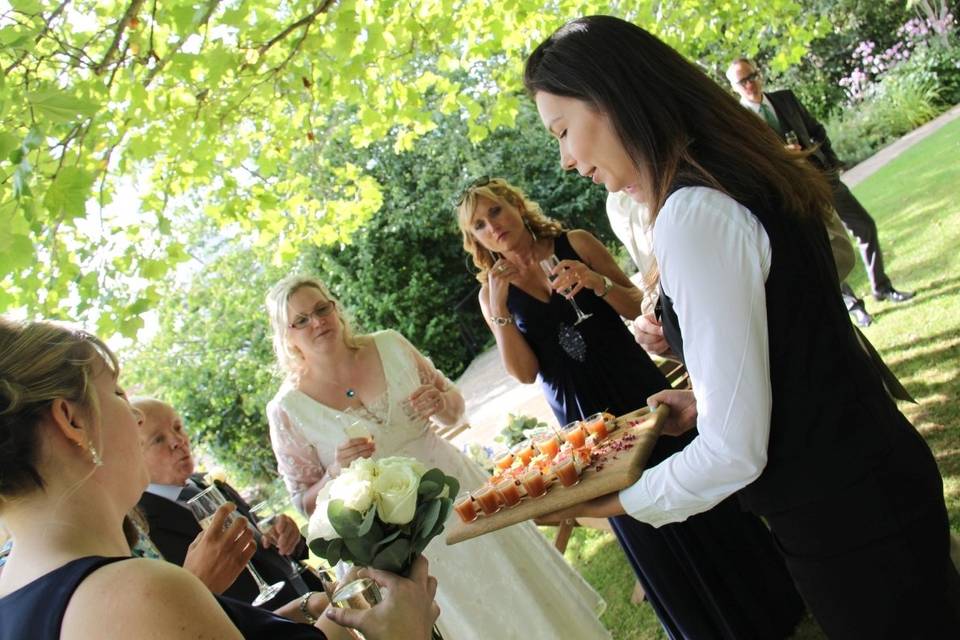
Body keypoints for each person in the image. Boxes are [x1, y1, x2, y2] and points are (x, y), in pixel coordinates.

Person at [524, 15, 960, 638]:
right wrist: (707, 398)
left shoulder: (692, 213)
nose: (566, 160)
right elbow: (790, 336)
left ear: (612, 98)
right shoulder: (737, 169)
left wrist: (617, 501)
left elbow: (734, 452)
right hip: (875, 473)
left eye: (563, 131)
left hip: (841, 516)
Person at [456, 177, 804, 639]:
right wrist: (499, 313)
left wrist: (594, 282)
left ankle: (769, 601)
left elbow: (639, 307)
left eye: (496, 212)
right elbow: (523, 372)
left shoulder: (574, 242)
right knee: (644, 521)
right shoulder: (491, 293)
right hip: (584, 421)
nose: (492, 227)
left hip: (636, 387)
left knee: (695, 483)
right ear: (475, 239)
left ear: (516, 205)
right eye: (479, 225)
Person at [0, 317, 440, 640]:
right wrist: (403, 632)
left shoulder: (14, 601)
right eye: (116, 392)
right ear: (71, 420)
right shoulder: (135, 594)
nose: (132, 413)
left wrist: (293, 617)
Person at [264, 275, 612, 640]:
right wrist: (334, 471)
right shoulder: (287, 409)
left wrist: (441, 403)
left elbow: (454, 408)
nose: (317, 322)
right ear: (286, 336)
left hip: (460, 497)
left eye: (322, 309)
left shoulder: (389, 344)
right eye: (301, 320)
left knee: (522, 600)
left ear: (335, 309)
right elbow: (304, 502)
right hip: (393, 545)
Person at [725, 57, 915, 327]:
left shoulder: (785, 99)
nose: (749, 84)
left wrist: (831, 162)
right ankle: (853, 305)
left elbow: (816, 129)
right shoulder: (741, 121)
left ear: (760, 74)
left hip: (823, 178)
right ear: (733, 87)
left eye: (752, 76)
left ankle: (881, 286)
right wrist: (782, 157)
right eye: (742, 81)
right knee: (826, 247)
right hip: (794, 194)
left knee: (865, 226)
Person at [133, 397, 325, 606]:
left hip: (312, 602)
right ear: (133, 455)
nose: (177, 441)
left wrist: (287, 536)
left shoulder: (207, 484)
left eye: (178, 427)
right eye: (158, 439)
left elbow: (261, 541)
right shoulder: (144, 528)